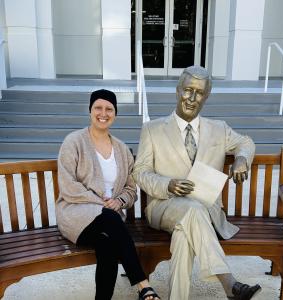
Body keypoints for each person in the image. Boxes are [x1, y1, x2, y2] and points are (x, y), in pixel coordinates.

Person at [133, 66, 261, 300]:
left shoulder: (219, 129)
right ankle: (229, 283)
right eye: (188, 90)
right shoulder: (152, 129)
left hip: (202, 211)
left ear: (206, 96)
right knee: (192, 210)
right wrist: (168, 184)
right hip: (163, 206)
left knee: (185, 233)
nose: (192, 98)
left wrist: (241, 159)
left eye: (199, 93)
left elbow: (246, 142)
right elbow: (140, 172)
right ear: (177, 90)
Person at [55, 89, 160, 300]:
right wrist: (102, 204)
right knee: (110, 219)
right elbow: (68, 186)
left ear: (115, 114)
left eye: (109, 109)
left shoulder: (121, 149)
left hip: (110, 221)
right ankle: (143, 285)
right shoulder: (73, 142)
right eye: (98, 108)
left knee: (108, 245)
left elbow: (131, 190)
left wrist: (119, 201)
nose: (103, 113)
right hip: (76, 215)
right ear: (90, 111)